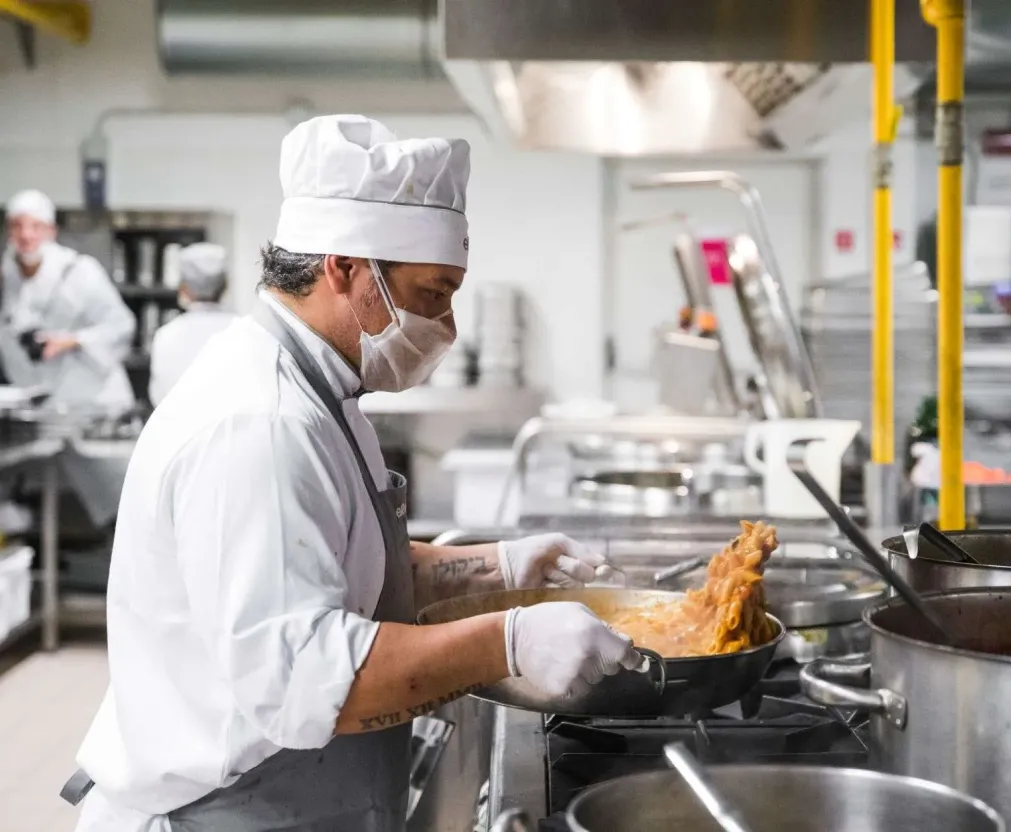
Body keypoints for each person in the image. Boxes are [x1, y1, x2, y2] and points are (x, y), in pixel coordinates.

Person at [67, 114, 639, 832]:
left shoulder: (317, 390)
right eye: (432, 293)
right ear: (345, 268)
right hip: (221, 812)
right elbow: (307, 679)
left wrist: (494, 566)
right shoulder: (263, 423)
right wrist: (510, 640)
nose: (447, 326)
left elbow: (341, 562)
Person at [1, 189, 137, 528]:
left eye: (35, 226)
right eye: (17, 226)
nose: (26, 235)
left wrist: (72, 340)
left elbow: (122, 326)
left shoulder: (80, 272)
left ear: (51, 231)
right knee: (39, 508)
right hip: (43, 416)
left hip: (94, 406)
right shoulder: (5, 277)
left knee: (124, 511)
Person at [148, 242, 236, 406]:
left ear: (183, 289)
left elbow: (159, 398)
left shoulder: (167, 335)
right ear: (226, 286)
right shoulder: (246, 331)